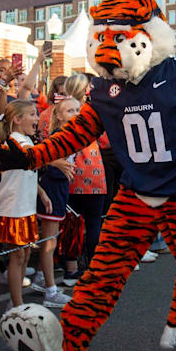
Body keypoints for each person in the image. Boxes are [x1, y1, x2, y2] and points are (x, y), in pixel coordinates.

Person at [0, 100, 50, 309]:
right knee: (17, 255)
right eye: (33, 115)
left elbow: (28, 172)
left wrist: (42, 193)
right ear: (17, 119)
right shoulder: (15, 141)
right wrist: (56, 159)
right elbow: (36, 158)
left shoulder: (25, 139)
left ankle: (16, 300)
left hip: (25, 206)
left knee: (24, 254)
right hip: (13, 208)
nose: (37, 119)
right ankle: (16, 303)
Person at [29, 96, 77, 307]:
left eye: (78, 110)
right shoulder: (59, 135)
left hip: (60, 186)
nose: (75, 114)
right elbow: (38, 155)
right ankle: (50, 291)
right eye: (69, 111)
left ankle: (41, 276)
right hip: (51, 187)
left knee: (52, 238)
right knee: (49, 241)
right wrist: (55, 162)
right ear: (58, 115)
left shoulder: (72, 134)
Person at [62, 73, 106, 282]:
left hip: (69, 175)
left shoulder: (60, 110)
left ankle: (71, 266)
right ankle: (93, 267)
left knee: (72, 223)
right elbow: (106, 140)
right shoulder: (93, 111)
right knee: (93, 223)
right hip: (91, 173)